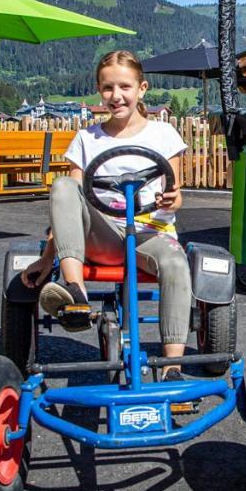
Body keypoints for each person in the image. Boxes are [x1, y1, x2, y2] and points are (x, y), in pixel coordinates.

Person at [21, 50, 193, 379]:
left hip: (149, 233)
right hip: (102, 234)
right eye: (108, 88)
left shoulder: (163, 135)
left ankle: (172, 365)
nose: (117, 96)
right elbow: (67, 206)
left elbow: (176, 194)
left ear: (142, 88)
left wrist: (172, 200)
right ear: (99, 91)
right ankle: (76, 293)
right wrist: (47, 258)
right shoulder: (87, 138)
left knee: (176, 263)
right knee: (62, 186)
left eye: (125, 87)